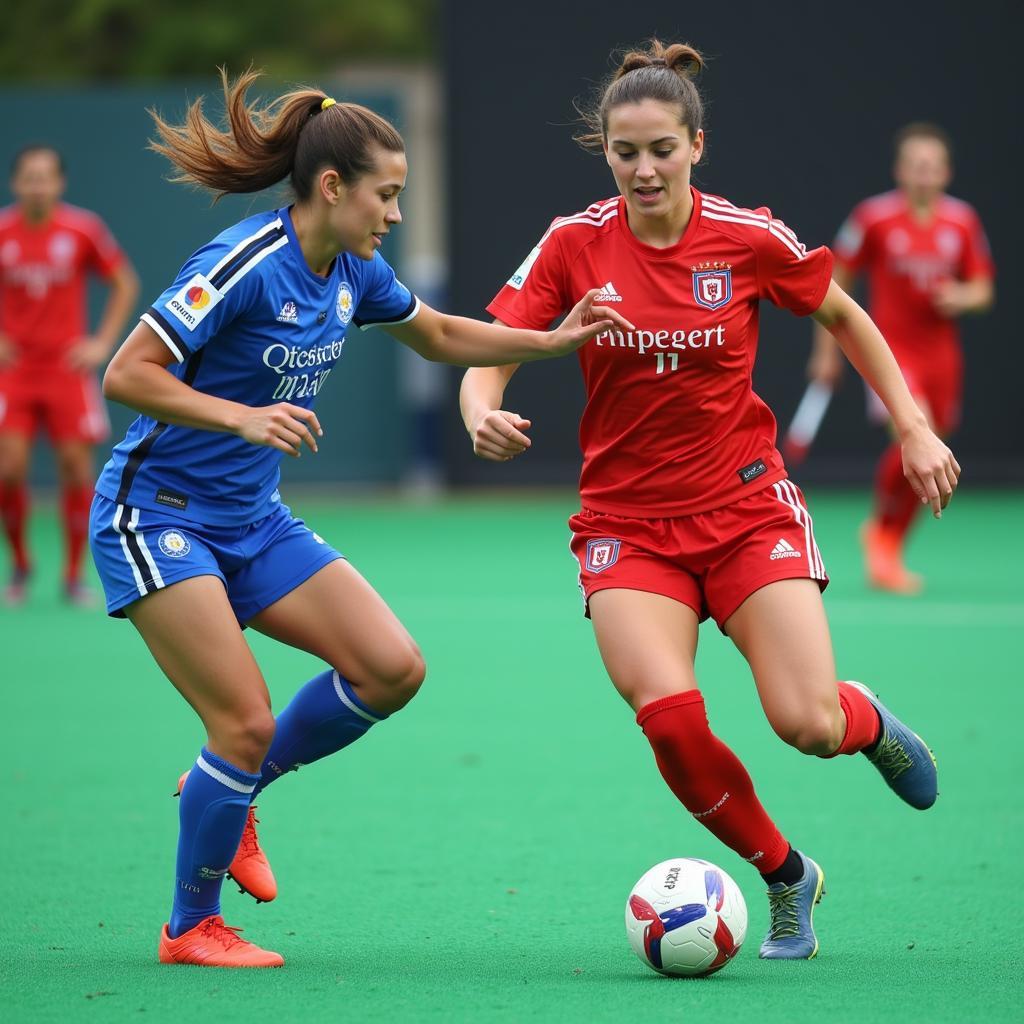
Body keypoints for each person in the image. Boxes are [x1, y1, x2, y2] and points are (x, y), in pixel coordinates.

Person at [89, 70, 630, 969]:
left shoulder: (356, 272)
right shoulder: (243, 265)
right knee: (243, 722)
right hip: (157, 515)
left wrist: (551, 341)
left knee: (390, 668)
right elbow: (126, 374)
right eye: (387, 195)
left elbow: (444, 336)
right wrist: (240, 415)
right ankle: (190, 927)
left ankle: (227, 789)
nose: (395, 215)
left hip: (251, 519)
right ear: (333, 187)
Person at [460, 41, 959, 961]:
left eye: (661, 148)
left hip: (745, 510)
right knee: (672, 718)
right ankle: (785, 877)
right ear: (603, 153)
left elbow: (846, 317)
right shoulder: (574, 241)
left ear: (697, 144)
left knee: (805, 723)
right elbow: (495, 340)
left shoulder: (749, 237)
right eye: (623, 151)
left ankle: (870, 722)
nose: (643, 168)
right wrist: (479, 408)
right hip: (626, 526)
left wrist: (913, 427)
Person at [808, 123, 994, 593]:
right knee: (919, 432)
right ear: (900, 170)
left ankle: (887, 535)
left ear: (946, 172)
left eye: (933, 166)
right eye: (916, 165)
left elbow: (983, 289)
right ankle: (883, 542)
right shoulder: (873, 218)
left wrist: (962, 296)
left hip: (942, 356)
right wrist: (827, 353)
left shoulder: (962, 222)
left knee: (932, 447)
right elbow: (833, 283)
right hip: (893, 353)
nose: (924, 174)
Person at [0, 145, 139, 605]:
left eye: (46, 177)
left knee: (77, 471)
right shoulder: (3, 231)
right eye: (29, 177)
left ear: (59, 183)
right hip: (14, 373)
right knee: (10, 469)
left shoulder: (82, 230)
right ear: (15, 182)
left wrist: (101, 343)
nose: (37, 185)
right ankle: (20, 566)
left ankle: (74, 574)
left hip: (66, 371)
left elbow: (124, 281)